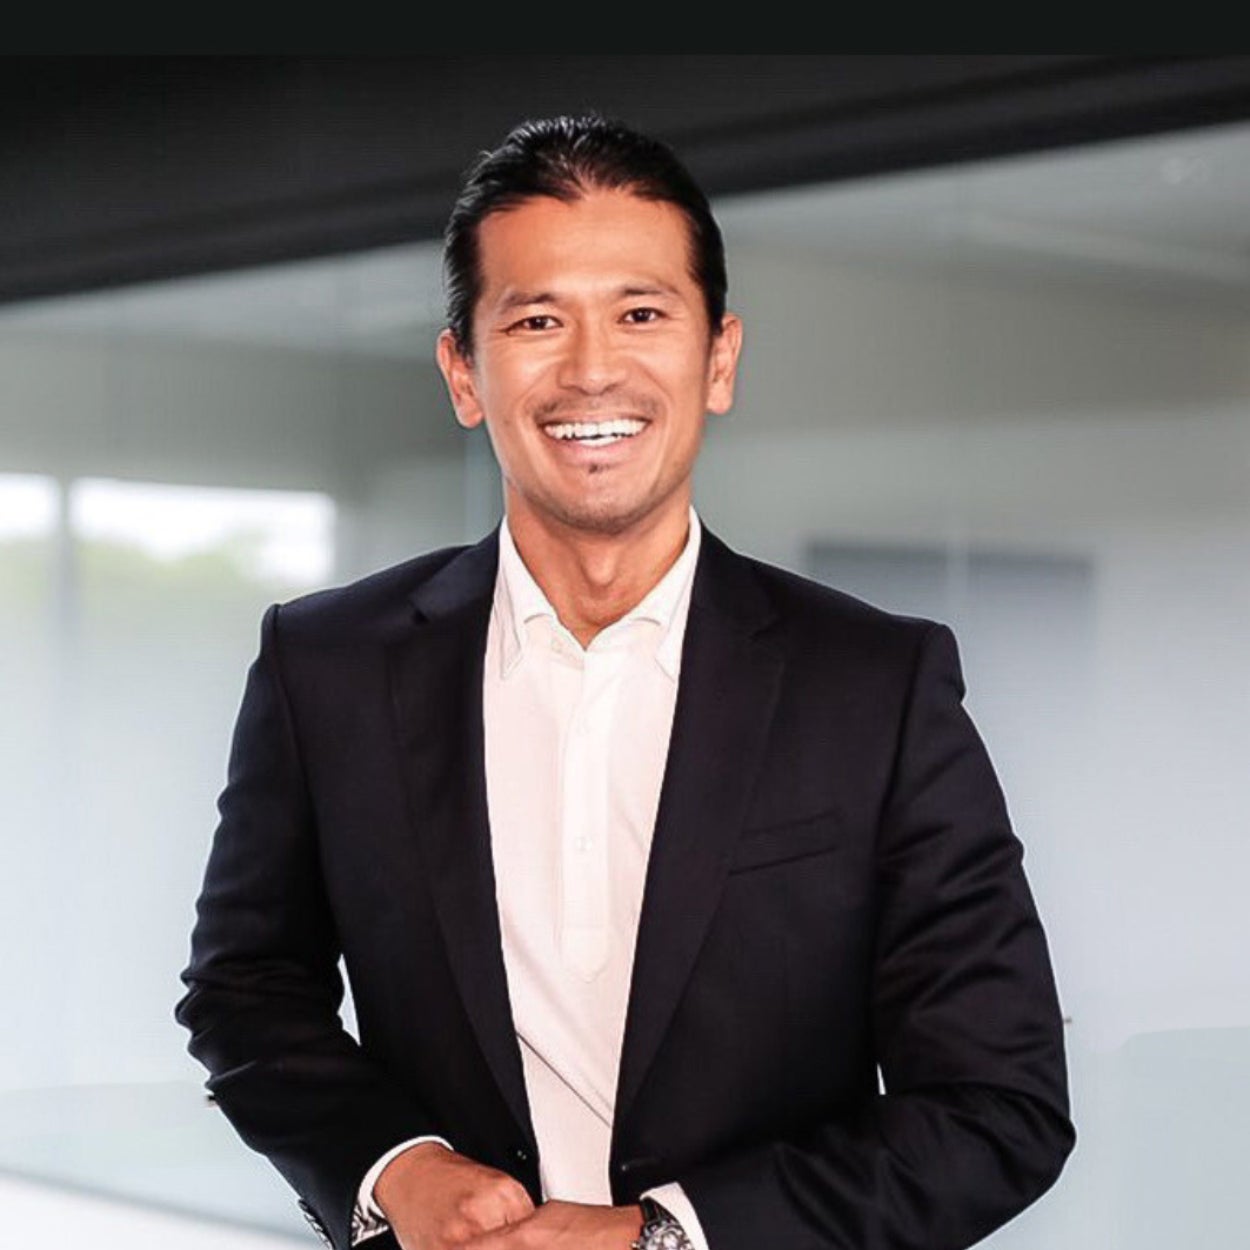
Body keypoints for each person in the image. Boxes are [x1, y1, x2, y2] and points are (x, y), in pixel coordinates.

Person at [177, 115, 1074, 1250]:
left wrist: (660, 1235)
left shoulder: (876, 686)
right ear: (463, 373)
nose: (591, 368)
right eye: (536, 320)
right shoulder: (327, 665)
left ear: (718, 360)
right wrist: (394, 1167)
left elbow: (997, 1109)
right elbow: (247, 989)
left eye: (641, 314)